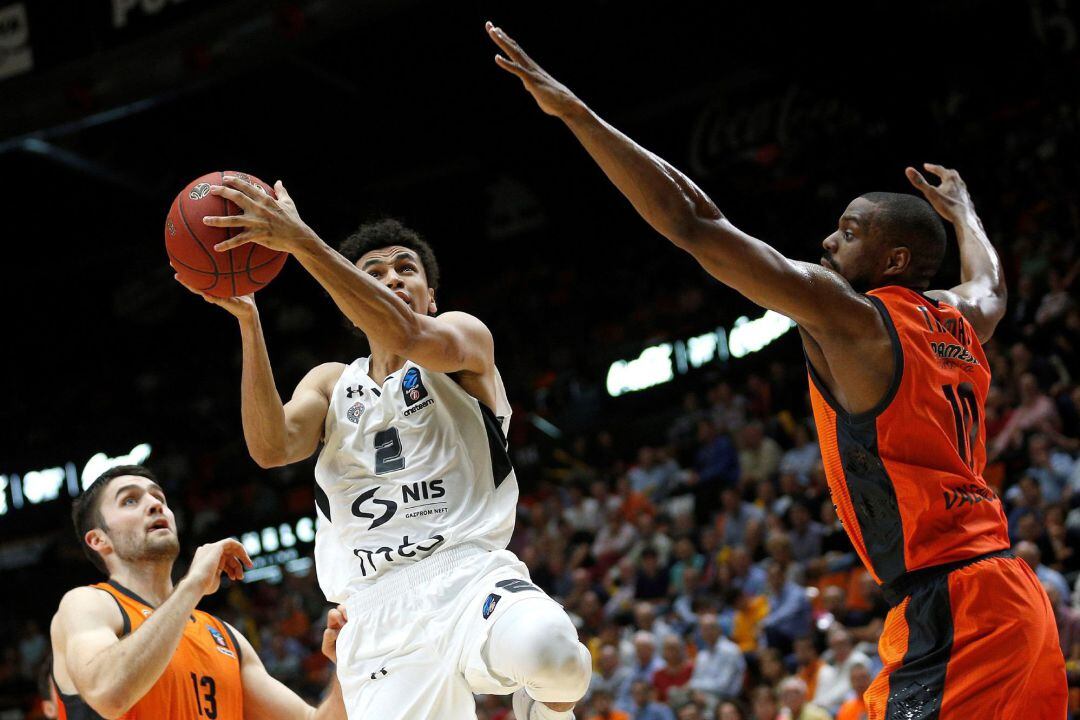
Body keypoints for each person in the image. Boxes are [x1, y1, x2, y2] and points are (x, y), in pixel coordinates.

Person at [485, 21, 1066, 718]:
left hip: (957, 609)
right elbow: (993, 288)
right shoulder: (958, 320)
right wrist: (967, 212)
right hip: (1007, 596)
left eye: (849, 231)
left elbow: (695, 223)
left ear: (895, 263)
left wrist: (577, 114)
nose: (827, 238)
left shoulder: (853, 316)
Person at [179, 196, 591, 718]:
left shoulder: (464, 339)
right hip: (373, 611)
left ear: (431, 295)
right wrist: (248, 321)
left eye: (405, 267)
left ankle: (542, 708)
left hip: (467, 573)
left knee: (556, 655)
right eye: (372, 272)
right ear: (348, 302)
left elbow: (406, 332)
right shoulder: (331, 384)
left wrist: (303, 242)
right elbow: (270, 447)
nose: (391, 277)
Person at [49, 465, 347, 719]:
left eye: (158, 497)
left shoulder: (224, 637)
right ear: (99, 540)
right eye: (129, 501)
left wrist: (347, 661)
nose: (154, 505)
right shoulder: (88, 604)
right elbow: (108, 694)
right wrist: (191, 585)